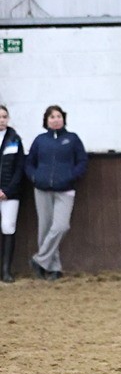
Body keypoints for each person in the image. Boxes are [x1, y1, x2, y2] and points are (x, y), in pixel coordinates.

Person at [24, 105, 87, 281]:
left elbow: (82, 161)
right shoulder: (40, 140)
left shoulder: (72, 139)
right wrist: (35, 178)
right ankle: (53, 268)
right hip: (42, 189)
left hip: (65, 189)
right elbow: (29, 163)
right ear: (46, 121)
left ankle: (39, 259)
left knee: (61, 226)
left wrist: (71, 176)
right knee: (44, 229)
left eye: (58, 116)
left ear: (63, 119)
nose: (56, 119)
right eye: (52, 117)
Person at [0, 105, 25, 283]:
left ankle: (6, 270)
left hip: (10, 193)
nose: (2, 120)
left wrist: (7, 190)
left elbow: (19, 168)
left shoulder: (15, 139)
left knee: (8, 227)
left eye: (4, 116)